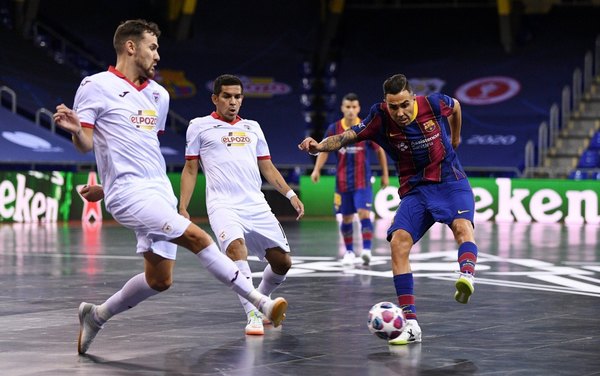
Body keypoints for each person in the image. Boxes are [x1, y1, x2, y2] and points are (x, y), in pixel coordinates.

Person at [53, 20, 287, 355]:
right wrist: (77, 131)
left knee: (159, 280)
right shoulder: (96, 85)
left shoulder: (158, 95)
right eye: (152, 47)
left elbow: (140, 150)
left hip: (158, 189)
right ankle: (259, 303)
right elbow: (87, 143)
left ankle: (96, 315)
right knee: (198, 237)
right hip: (128, 194)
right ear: (130, 47)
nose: (157, 55)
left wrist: (103, 187)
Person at [299, 74, 478, 346]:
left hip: (450, 181)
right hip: (416, 188)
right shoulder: (379, 117)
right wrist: (318, 147)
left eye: (405, 105)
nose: (400, 112)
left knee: (462, 227)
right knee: (398, 243)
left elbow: (455, 107)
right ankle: (411, 324)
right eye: (394, 107)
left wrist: (455, 138)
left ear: (412, 97)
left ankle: (466, 276)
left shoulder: (432, 103)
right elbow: (348, 136)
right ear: (386, 103)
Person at [179, 74, 304, 336]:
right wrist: (183, 206)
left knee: (283, 263)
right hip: (223, 204)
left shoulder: (253, 127)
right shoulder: (199, 126)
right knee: (237, 250)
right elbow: (191, 168)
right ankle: (253, 314)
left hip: (256, 204)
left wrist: (290, 195)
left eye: (237, 97)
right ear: (215, 98)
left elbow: (267, 167)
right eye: (227, 96)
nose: (233, 102)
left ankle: (260, 297)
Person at [310, 93, 389, 266]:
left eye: (354, 107)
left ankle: (367, 250)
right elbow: (323, 149)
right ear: (342, 108)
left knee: (364, 214)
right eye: (348, 107)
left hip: (363, 181)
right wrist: (317, 169)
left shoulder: (366, 127)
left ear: (359, 108)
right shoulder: (334, 129)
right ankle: (349, 251)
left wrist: (385, 174)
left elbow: (379, 151)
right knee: (346, 218)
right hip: (342, 182)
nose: (351, 110)